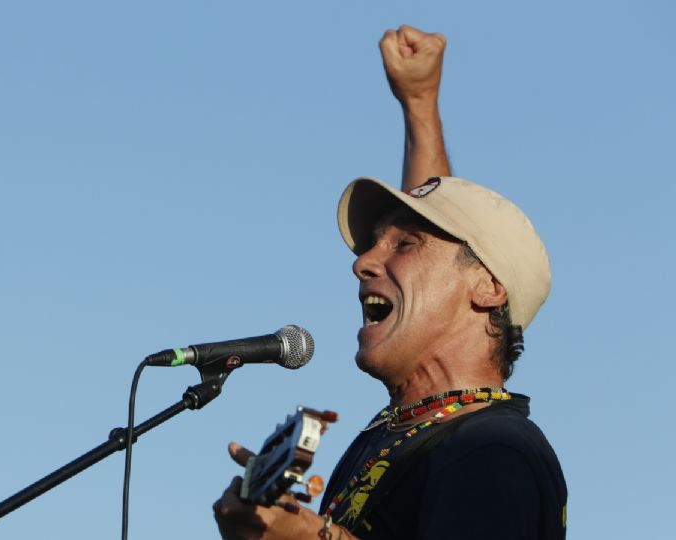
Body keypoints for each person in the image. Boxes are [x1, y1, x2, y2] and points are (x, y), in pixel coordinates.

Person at [212, 25, 567, 539]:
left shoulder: (494, 448)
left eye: (402, 246)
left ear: (487, 287)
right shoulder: (407, 433)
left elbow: (444, 244)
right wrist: (420, 106)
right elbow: (442, 234)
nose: (362, 263)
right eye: (372, 244)